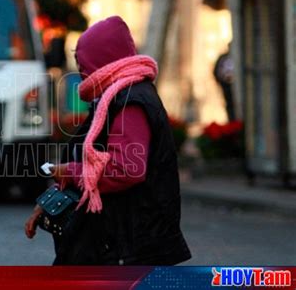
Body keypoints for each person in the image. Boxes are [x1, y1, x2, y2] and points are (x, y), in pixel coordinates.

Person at [25, 16, 191, 265]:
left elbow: (126, 169)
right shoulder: (114, 97)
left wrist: (69, 172)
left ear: (101, 59)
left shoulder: (129, 101)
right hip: (114, 245)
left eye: (83, 62)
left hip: (127, 249)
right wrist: (51, 202)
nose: (80, 71)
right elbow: (91, 161)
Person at [213, 45, 236, 121]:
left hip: (234, 85)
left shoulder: (237, 57)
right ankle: (232, 120)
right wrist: (220, 82)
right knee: (229, 104)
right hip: (226, 85)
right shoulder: (223, 57)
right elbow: (216, 71)